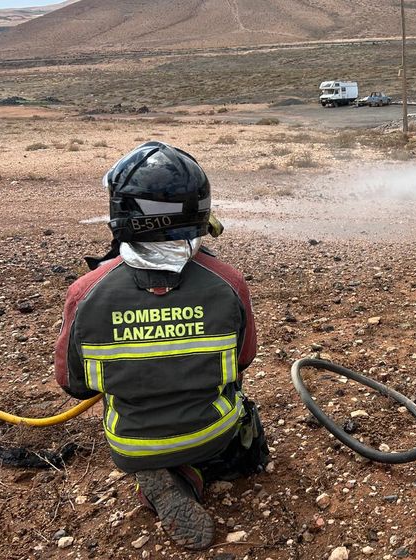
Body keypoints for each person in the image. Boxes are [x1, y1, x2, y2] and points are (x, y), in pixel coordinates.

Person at [54, 141, 268, 549]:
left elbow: (74, 385)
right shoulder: (228, 282)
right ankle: (195, 469)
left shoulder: (86, 292)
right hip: (213, 433)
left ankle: (167, 473)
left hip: (129, 443)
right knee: (238, 425)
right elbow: (244, 360)